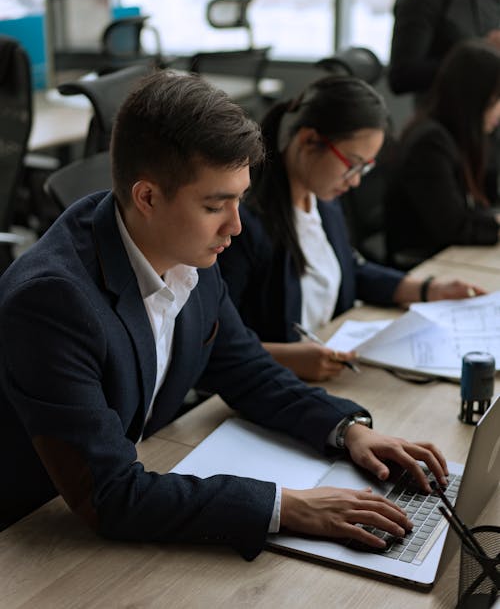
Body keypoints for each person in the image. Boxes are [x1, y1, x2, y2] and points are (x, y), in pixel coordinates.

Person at [0, 70, 450, 559]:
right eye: (217, 204)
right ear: (147, 197)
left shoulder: (189, 252)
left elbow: (244, 367)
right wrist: (289, 507)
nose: (235, 226)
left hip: (133, 489)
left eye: (240, 199)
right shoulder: (53, 303)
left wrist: (348, 431)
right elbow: (110, 496)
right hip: (32, 538)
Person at [218, 75, 482, 383]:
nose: (356, 180)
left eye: (365, 167)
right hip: (266, 383)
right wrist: (286, 359)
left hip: (326, 371)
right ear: (308, 140)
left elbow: (348, 269)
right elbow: (215, 343)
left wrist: (428, 289)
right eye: (352, 164)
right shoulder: (243, 224)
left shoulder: (323, 199)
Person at [385, 39, 500, 263]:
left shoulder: (464, 135)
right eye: (495, 100)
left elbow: (486, 195)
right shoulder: (431, 143)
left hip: (455, 255)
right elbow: (454, 227)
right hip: (427, 261)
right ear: (474, 99)